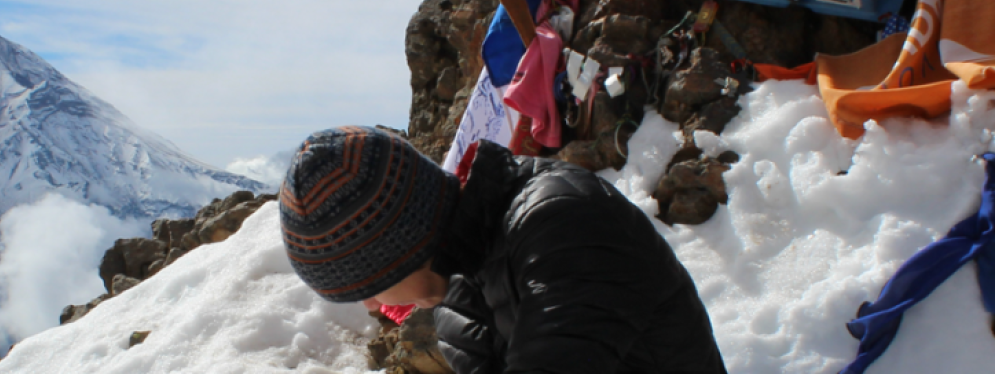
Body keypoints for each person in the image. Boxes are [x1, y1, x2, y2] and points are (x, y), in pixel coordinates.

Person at [279, 126, 727, 374]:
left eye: (370, 285)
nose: (372, 305)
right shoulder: (461, 287)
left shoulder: (562, 224)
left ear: (402, 249)